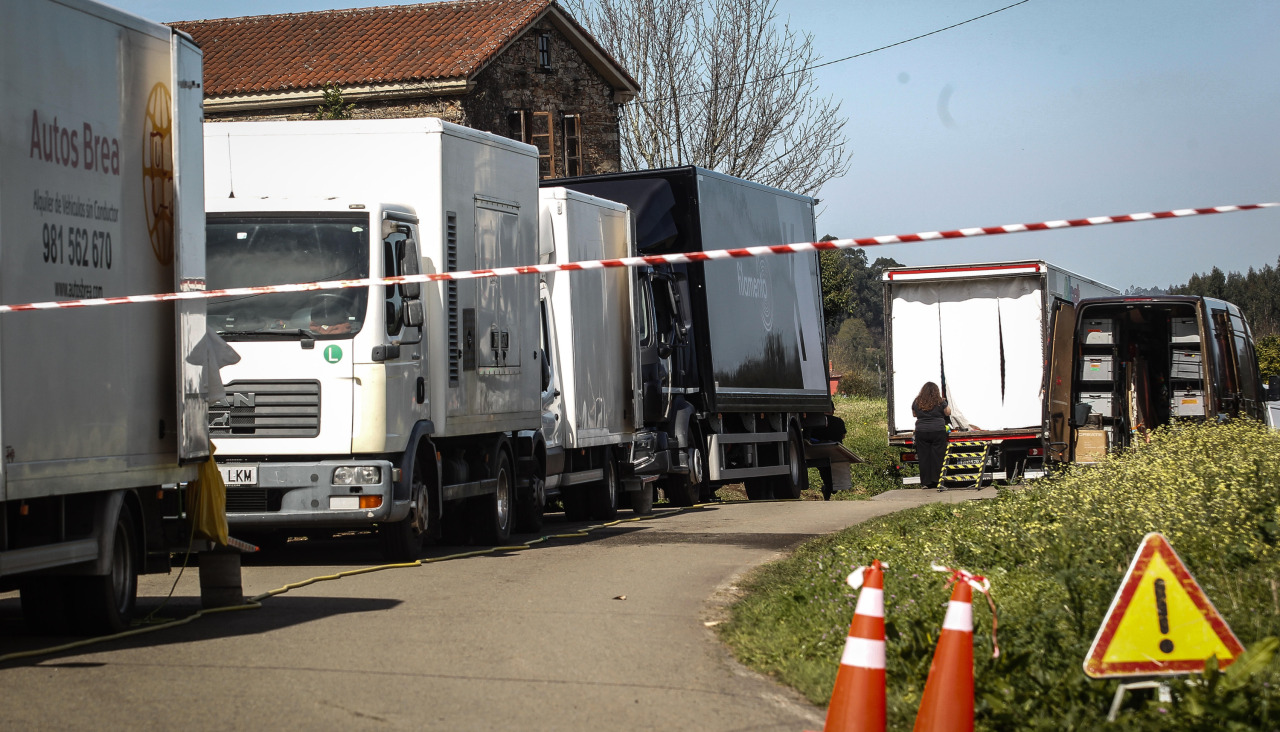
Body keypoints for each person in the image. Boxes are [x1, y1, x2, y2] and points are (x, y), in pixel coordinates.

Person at [913, 381, 951, 491]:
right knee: (938, 457)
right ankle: (938, 481)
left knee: (924, 457)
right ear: (936, 391)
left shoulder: (917, 401)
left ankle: (926, 483)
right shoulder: (939, 401)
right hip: (937, 430)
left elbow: (914, 414)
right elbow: (948, 412)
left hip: (921, 431)